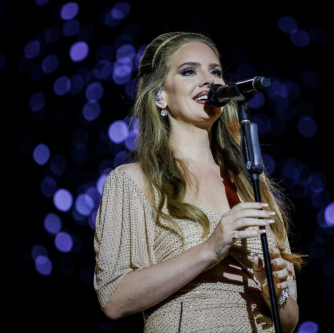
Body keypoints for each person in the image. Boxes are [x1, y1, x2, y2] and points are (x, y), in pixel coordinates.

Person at [93, 31, 307, 333]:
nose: (210, 81)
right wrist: (211, 248)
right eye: (189, 71)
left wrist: (273, 290)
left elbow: (289, 323)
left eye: (216, 72)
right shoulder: (132, 181)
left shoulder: (253, 186)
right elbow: (114, 299)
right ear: (160, 96)